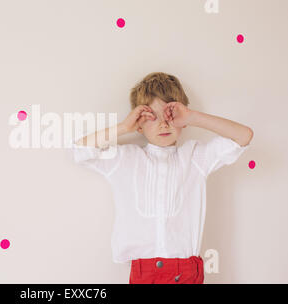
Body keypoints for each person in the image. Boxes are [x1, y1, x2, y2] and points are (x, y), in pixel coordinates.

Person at [71, 72, 253, 284]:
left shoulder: (194, 157)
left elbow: (244, 136)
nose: (163, 125)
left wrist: (193, 117)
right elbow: (80, 151)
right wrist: (125, 127)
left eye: (170, 116)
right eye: (153, 117)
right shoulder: (125, 159)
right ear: (139, 123)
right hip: (143, 272)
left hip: (186, 271)